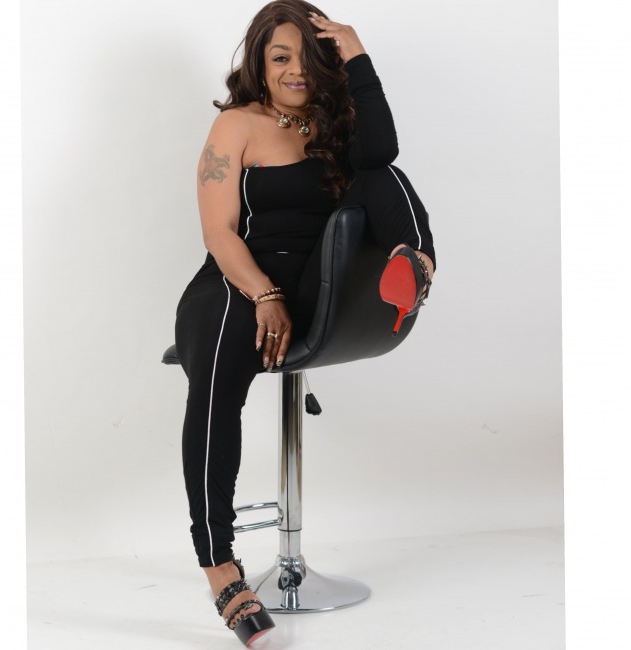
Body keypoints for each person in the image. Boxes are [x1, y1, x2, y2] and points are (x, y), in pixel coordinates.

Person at [174, 0, 436, 644]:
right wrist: (264, 294)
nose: (294, 69)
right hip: (239, 284)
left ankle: (414, 268)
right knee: (216, 388)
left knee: (381, 171)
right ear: (259, 64)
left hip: (319, 290)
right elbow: (218, 232)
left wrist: (358, 55)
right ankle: (221, 568)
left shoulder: (336, 124)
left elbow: (383, 149)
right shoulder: (237, 124)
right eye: (280, 56)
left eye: (308, 57)